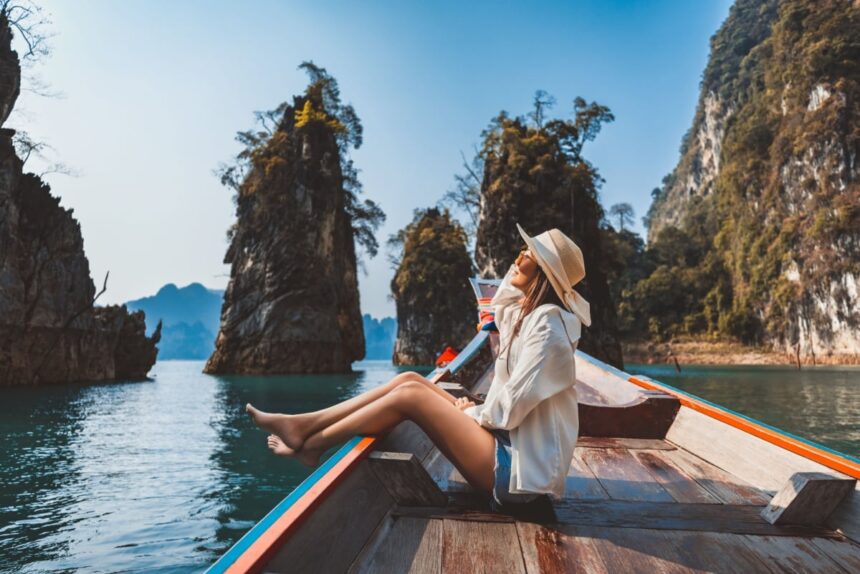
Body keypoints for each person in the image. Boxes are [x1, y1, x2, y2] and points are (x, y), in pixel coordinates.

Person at [246, 223, 590, 509]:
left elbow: (513, 407)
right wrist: (475, 409)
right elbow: (500, 303)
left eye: (526, 256)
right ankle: (304, 426)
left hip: (517, 476)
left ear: (544, 274)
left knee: (410, 396)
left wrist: (470, 413)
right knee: (411, 378)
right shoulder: (529, 316)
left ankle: (315, 443)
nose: (516, 259)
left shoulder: (548, 326)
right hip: (506, 444)